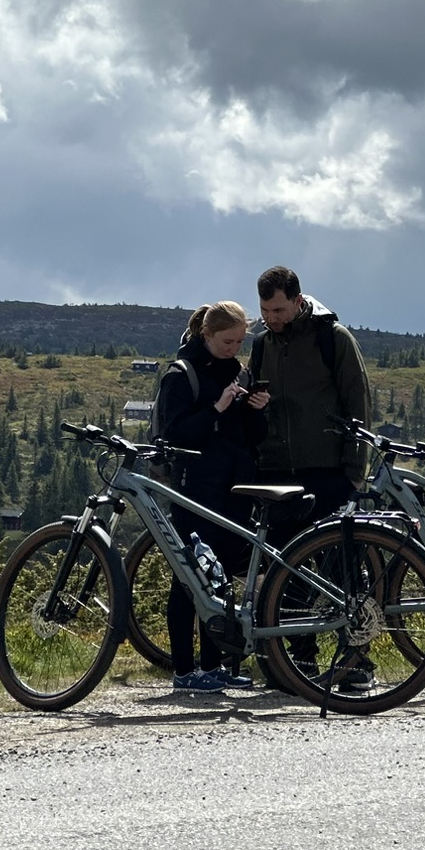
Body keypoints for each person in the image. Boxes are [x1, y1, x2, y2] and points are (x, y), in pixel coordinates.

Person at [246, 265, 375, 689]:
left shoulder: (333, 339)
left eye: (279, 309)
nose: (272, 318)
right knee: (286, 574)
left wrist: (355, 472)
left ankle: (356, 664)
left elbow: (359, 402)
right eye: (266, 310)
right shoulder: (263, 344)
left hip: (329, 472)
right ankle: (297, 665)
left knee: (342, 572)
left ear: (298, 301)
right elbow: (254, 398)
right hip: (279, 475)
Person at [155, 300, 268, 692]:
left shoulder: (239, 372)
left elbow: (252, 437)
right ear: (206, 335)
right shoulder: (181, 375)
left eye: (239, 342)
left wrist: (256, 409)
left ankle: (215, 666)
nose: (234, 349)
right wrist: (217, 408)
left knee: (219, 582)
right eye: (226, 342)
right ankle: (185, 671)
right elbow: (174, 436)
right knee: (189, 581)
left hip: (234, 492)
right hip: (195, 492)